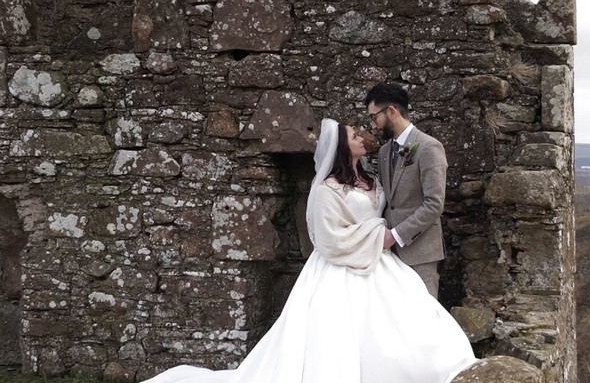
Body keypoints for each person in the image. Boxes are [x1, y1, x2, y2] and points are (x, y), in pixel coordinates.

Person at [141, 118, 476, 383]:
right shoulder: (328, 189)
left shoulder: (373, 179)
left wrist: (385, 236)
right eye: (353, 134)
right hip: (342, 268)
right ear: (343, 147)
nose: (361, 136)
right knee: (340, 339)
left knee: (411, 322)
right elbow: (329, 240)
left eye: (360, 131)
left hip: (383, 264)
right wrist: (379, 234)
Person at [364, 83, 447, 298]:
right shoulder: (384, 152)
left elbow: (434, 204)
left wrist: (396, 235)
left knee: (424, 318)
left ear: (391, 111)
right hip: (387, 256)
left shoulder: (429, 147)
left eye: (374, 117)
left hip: (420, 254)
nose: (373, 126)